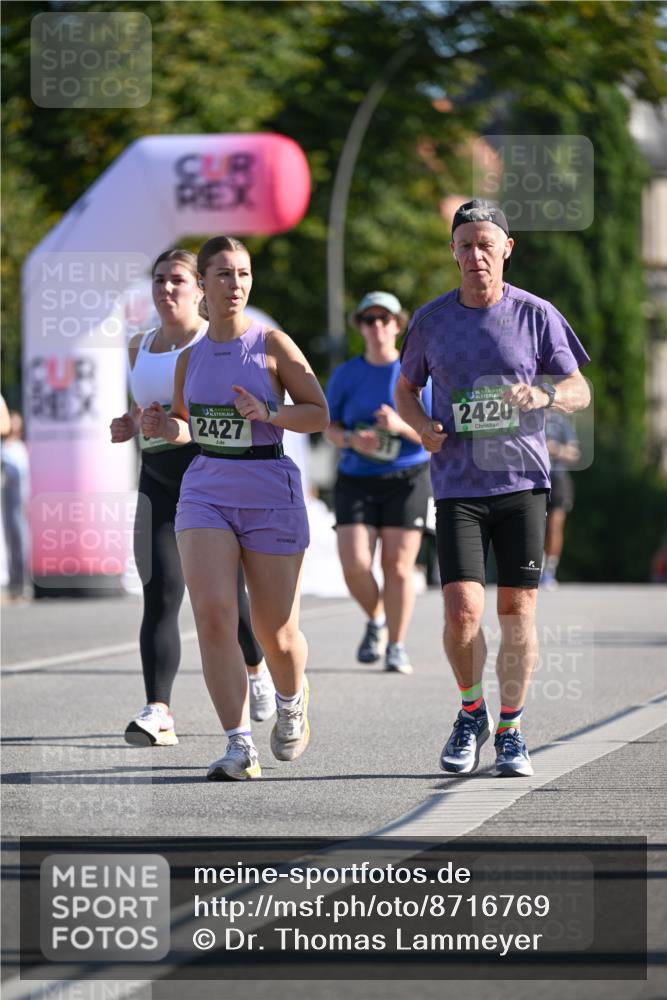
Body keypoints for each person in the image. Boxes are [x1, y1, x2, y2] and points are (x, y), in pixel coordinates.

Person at [395, 198, 591, 778]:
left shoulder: (536, 315)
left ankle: (510, 730)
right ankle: (470, 711)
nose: (475, 254)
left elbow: (580, 388)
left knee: (517, 608)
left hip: (522, 481)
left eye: (486, 244)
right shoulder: (431, 321)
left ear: (507, 249)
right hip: (457, 483)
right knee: (461, 611)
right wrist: (419, 425)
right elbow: (406, 389)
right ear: (453, 252)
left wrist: (546, 395)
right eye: (465, 245)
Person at [141, 235, 329, 781]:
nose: (236, 285)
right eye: (223, 274)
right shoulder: (191, 359)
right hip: (206, 490)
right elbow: (188, 426)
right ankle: (238, 743)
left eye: (244, 274)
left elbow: (318, 414)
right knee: (214, 615)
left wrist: (268, 409)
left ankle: (292, 700)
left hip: (269, 487)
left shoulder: (272, 344)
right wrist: (162, 428)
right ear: (202, 285)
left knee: (277, 633)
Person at [110, 249, 274, 749]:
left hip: (208, 479)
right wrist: (130, 424)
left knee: (226, 601)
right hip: (157, 480)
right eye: (158, 280)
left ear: (199, 288)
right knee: (160, 591)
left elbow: (210, 418)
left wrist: (174, 428)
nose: (165, 289)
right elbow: (143, 410)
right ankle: (159, 709)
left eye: (177, 280)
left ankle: (257, 666)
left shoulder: (211, 344)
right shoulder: (139, 345)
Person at [325, 291, 432, 674]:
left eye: (384, 319)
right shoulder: (346, 375)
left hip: (407, 476)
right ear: (360, 327)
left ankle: (397, 646)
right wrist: (354, 439)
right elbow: (328, 428)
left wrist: (399, 426)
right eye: (368, 320)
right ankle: (377, 620)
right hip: (356, 476)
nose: (376, 327)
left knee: (398, 566)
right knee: (354, 563)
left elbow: (433, 435)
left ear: (398, 326)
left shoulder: (415, 374)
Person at [542, 410, 580, 589]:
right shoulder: (525, 418)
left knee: (554, 525)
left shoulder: (560, 421)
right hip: (531, 479)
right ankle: (534, 567)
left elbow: (574, 453)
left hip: (558, 478)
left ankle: (549, 571)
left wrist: (555, 449)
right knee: (532, 527)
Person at [1, 408, 30, 601]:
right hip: (6, 506)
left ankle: (21, 583)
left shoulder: (21, 448)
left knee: (19, 539)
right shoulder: (4, 449)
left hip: (19, 507)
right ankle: (12, 583)